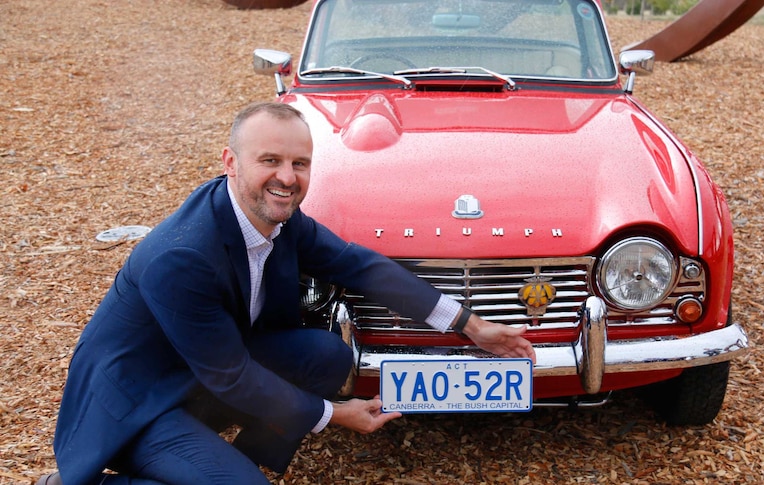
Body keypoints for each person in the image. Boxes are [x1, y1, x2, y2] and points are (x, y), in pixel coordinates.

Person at [38, 102, 535, 485]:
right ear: (230, 162)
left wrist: (472, 325)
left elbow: (360, 266)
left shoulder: (279, 218)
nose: (287, 177)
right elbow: (232, 377)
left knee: (324, 355)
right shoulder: (182, 257)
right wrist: (335, 416)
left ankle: (240, 463)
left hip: (199, 370)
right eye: (270, 160)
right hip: (139, 399)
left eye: (300, 163)